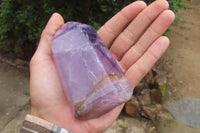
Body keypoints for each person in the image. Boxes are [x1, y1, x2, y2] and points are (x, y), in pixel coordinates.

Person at [23, 0, 175, 132]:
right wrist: (49, 118)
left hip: (99, 97)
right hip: (91, 102)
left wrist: (48, 121)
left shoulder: (64, 40)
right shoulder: (65, 40)